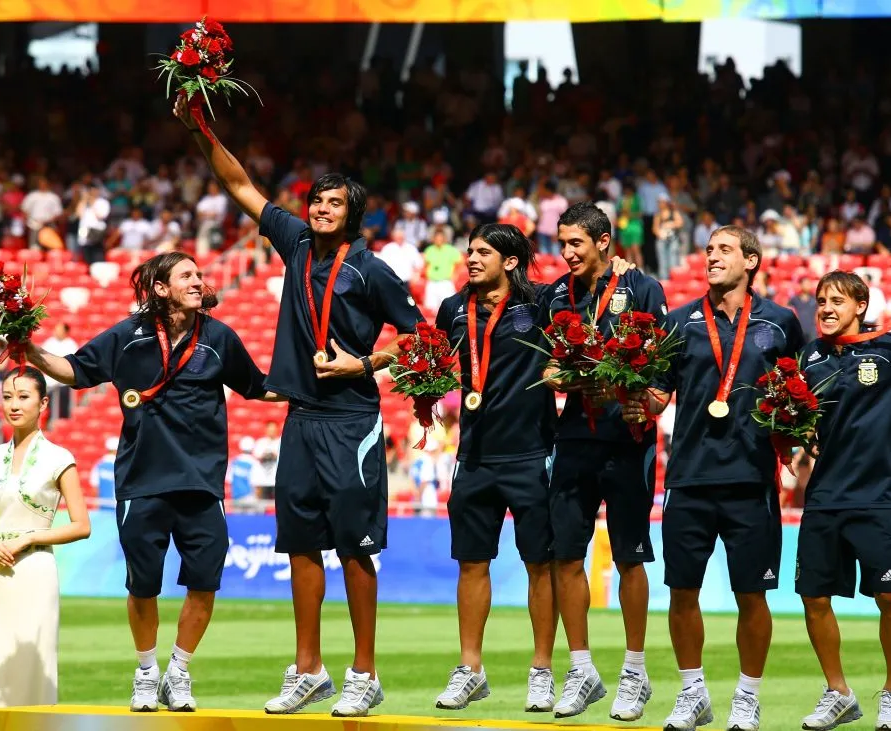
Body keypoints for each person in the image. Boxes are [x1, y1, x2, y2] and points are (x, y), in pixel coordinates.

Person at [174, 93, 423, 717]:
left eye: (333, 203)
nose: (318, 208)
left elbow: (423, 337)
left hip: (352, 421)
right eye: (315, 200)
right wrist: (199, 127)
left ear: (353, 214)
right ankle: (308, 669)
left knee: (355, 547)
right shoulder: (292, 242)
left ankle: (363, 673)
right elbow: (238, 182)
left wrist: (362, 364)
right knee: (301, 545)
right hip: (301, 420)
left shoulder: (372, 269)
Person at [25, 251, 271, 713]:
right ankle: (145, 671)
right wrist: (30, 350)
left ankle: (178, 671)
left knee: (204, 583)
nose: (199, 281)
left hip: (202, 485)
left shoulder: (219, 337)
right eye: (187, 276)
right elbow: (76, 370)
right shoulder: (129, 335)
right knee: (143, 586)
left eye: (199, 275)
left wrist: (328, 386)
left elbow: (258, 386)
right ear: (161, 288)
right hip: (141, 482)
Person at [620, 226, 805, 731]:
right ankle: (693, 691)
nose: (711, 257)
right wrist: (641, 401)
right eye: (708, 250)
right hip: (690, 476)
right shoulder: (681, 323)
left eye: (724, 250)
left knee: (753, 594)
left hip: (751, 479)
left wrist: (797, 441)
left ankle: (747, 696)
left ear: (751, 260)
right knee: (682, 591)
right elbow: (659, 395)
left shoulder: (781, 322)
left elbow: (801, 393)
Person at [543, 202, 667, 721]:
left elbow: (660, 369)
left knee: (629, 557)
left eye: (576, 243)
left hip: (627, 437)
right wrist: (571, 378)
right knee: (565, 556)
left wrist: (640, 394)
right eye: (561, 243)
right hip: (573, 437)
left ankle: (635, 672)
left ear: (603, 242)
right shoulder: (555, 295)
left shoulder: (642, 289)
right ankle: (581, 669)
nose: (566, 253)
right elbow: (550, 369)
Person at [431, 223, 559, 713]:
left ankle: (543, 671)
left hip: (532, 451)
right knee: (471, 561)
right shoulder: (452, 309)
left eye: (484, 252)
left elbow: (590, 296)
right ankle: (470, 668)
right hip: (474, 455)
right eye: (470, 251)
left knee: (538, 564)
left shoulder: (541, 304)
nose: (472, 258)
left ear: (511, 261)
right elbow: (434, 363)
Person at [796, 271, 891, 731]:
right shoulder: (809, 357)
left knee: (888, 595)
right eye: (821, 300)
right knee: (813, 597)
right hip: (824, 496)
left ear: (860, 306)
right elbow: (797, 415)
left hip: (879, 496)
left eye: (837, 300)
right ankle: (838, 692)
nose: (825, 307)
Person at [0, 367, 91, 730]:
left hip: (34, 572)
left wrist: (29, 537)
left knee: (37, 665)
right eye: (7, 397)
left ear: (43, 402)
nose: (13, 405)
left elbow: (82, 525)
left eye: (23, 397)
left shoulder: (59, 458)